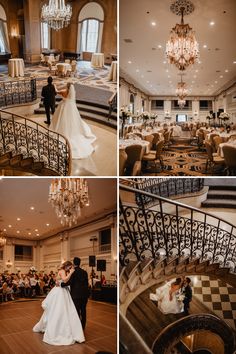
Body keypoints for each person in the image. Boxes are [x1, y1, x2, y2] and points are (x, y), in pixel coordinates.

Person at [33, 261, 85, 345]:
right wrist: (71, 273)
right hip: (60, 292)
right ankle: (57, 330)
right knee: (59, 309)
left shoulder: (62, 271)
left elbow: (59, 280)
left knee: (63, 310)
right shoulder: (63, 271)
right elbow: (64, 280)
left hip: (62, 290)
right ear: (67, 266)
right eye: (70, 267)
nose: (71, 269)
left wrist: (65, 277)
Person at [50, 83, 96, 159]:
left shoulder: (64, 91)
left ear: (67, 87)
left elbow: (56, 91)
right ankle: (71, 130)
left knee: (62, 119)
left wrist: (54, 85)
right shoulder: (72, 92)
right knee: (71, 120)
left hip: (64, 107)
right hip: (71, 108)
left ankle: (63, 130)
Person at [61, 257, 89, 330]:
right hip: (84, 294)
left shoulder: (73, 271)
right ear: (80, 263)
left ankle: (77, 327)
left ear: (73, 263)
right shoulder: (84, 272)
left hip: (76, 294)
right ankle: (83, 327)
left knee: (76, 311)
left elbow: (69, 282)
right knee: (83, 310)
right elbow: (87, 283)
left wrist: (61, 284)